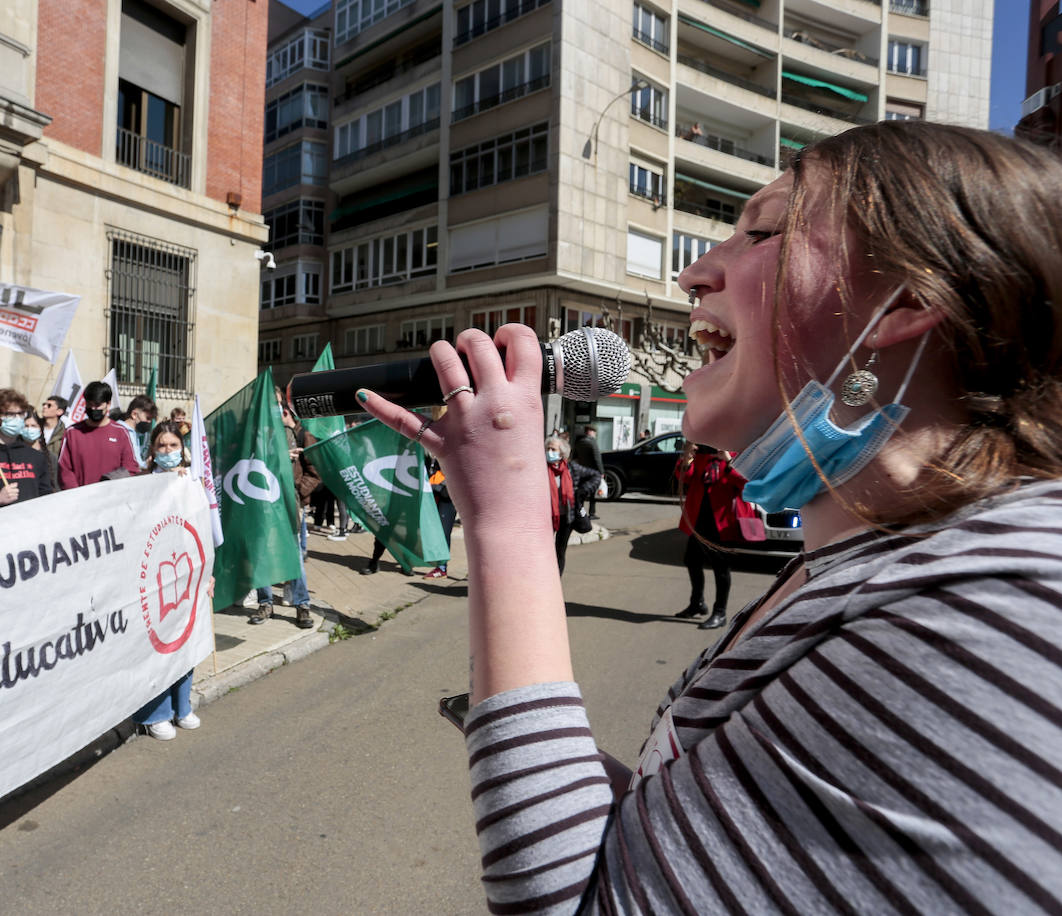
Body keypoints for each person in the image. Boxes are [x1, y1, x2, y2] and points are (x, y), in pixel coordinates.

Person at [357, 121, 1062, 912]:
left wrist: (508, 519)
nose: (695, 273)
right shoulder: (890, 567)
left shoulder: (985, 609)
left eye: (763, 231)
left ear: (903, 296)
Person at [133, 420, 203, 741]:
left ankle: (182, 707)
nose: (167, 451)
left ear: (183, 449)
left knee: (185, 641)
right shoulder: (141, 485)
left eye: (173, 445)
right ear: (152, 452)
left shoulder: (192, 482)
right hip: (154, 577)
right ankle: (155, 713)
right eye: (161, 446)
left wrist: (207, 573)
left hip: (187, 573)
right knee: (158, 646)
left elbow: (201, 528)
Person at [251, 391, 320, 629]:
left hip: (288, 504)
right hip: (260, 502)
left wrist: (298, 493)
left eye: (279, 403)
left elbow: (313, 470)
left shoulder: (293, 434)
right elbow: (249, 462)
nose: (277, 408)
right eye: (272, 403)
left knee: (292, 555)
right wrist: (279, 456)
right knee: (261, 554)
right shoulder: (254, 433)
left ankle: (302, 605)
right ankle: (265, 602)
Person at [674, 443, 744, 630]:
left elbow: (744, 483)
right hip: (698, 519)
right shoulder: (699, 454)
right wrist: (687, 459)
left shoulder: (735, 453)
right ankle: (697, 603)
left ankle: (720, 612)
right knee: (692, 561)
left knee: (721, 568)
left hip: (721, 521)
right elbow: (683, 478)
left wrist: (729, 461)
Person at [58, 381, 139, 488]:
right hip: (80, 499)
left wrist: (108, 483)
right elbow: (64, 469)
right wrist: (76, 494)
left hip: (112, 498)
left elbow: (131, 467)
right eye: (89, 404)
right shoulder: (72, 432)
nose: (93, 409)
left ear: (108, 404)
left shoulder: (120, 432)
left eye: (97, 405)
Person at [545, 435, 574, 575]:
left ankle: (557, 581)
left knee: (560, 551)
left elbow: (592, 477)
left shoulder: (570, 470)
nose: (549, 451)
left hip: (566, 518)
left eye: (553, 449)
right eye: (548, 448)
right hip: (546, 517)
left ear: (561, 452)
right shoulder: (540, 470)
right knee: (544, 551)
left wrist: (580, 494)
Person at [571, 426, 604, 518]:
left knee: (581, 493)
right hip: (592, 472)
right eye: (594, 432)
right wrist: (601, 471)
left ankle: (580, 512)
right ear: (590, 432)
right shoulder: (592, 442)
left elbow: (574, 456)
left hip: (581, 471)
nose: (595, 434)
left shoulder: (578, 442)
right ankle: (592, 513)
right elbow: (597, 458)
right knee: (593, 494)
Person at [41, 395, 68, 463]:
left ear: (59, 411)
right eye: (44, 404)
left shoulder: (65, 434)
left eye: (49, 405)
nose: (44, 407)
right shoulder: (34, 427)